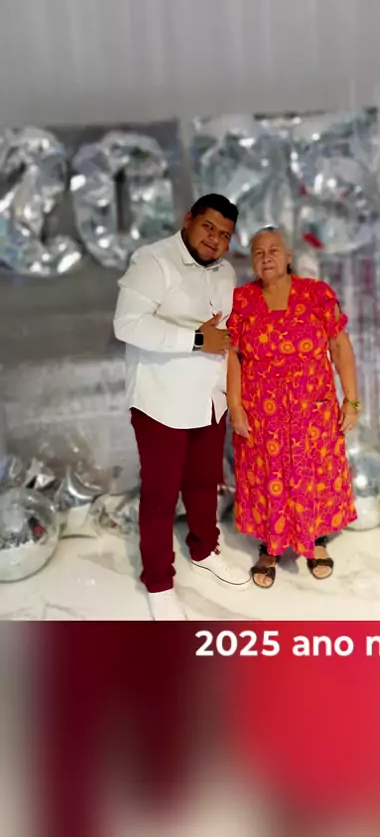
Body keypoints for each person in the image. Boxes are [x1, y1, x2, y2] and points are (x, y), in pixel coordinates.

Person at [114, 193, 250, 620]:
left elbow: (223, 334)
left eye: (224, 235)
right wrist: (195, 338)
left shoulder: (226, 272)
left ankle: (205, 550)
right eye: (208, 227)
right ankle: (159, 582)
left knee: (204, 482)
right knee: (160, 496)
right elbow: (127, 324)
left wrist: (229, 394)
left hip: (208, 401)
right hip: (161, 402)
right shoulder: (153, 261)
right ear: (188, 219)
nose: (215, 240)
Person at [227, 226, 359, 587]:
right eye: (258, 252)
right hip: (262, 413)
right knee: (267, 477)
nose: (266, 257)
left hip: (312, 412)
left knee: (312, 474)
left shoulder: (317, 294)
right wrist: (235, 405)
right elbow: (232, 355)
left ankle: (315, 540)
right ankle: (270, 545)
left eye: (273, 250)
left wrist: (351, 400)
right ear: (252, 261)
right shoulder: (241, 300)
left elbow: (340, 347)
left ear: (288, 256)